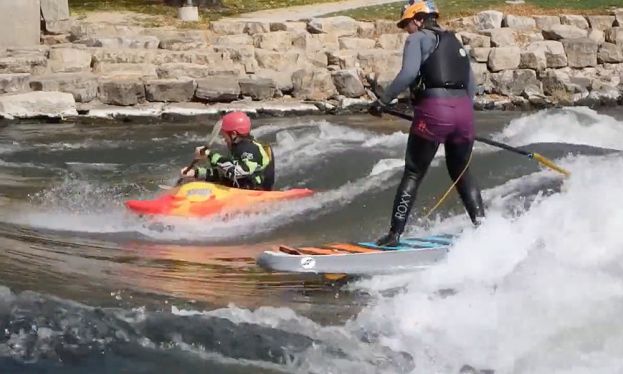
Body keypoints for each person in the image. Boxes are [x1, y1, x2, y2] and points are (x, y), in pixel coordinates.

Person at [369, 0, 485, 247]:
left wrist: (383, 100)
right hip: (464, 114)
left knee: (413, 171)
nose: (407, 30)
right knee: (461, 171)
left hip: (434, 112)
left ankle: (394, 234)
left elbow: (409, 74)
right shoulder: (455, 41)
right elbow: (471, 86)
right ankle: (483, 227)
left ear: (419, 19)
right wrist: (456, 114)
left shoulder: (417, 39)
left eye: (407, 24)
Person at [180, 111, 275, 191]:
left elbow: (234, 173)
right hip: (241, 188)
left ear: (233, 134)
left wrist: (209, 155)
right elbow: (224, 172)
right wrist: (196, 173)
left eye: (224, 135)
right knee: (189, 180)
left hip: (254, 192)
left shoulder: (249, 149)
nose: (223, 139)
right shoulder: (238, 147)